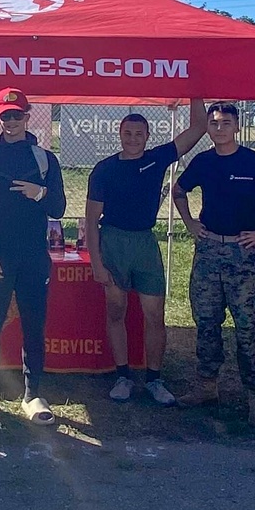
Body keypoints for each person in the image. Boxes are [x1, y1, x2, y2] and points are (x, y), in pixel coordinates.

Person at [172, 102, 255, 423]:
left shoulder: (254, 162)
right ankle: (206, 385)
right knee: (206, 323)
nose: (219, 128)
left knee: (248, 328)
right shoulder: (203, 162)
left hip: (242, 255)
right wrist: (190, 223)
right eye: (214, 123)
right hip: (208, 253)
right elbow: (178, 190)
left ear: (236, 126)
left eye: (225, 123)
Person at [84, 102, 207, 403]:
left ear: (148, 135)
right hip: (112, 240)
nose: (133, 138)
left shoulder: (157, 158)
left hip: (144, 243)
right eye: (128, 133)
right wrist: (97, 264)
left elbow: (198, 128)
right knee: (117, 310)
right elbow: (89, 221)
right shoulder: (105, 169)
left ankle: (154, 379)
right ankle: (123, 376)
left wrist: (195, 92)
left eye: (139, 133)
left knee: (155, 314)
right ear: (119, 134)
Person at [0, 88, 66, 425]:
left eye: (17, 115)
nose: (11, 122)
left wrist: (38, 192)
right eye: (5, 116)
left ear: (28, 116)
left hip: (33, 257)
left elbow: (59, 207)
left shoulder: (44, 159)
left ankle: (32, 393)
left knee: (33, 324)